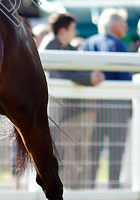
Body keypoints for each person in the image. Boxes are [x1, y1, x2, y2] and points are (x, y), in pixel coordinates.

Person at [40, 12, 104, 188]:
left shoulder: (60, 46)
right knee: (67, 153)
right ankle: (69, 189)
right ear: (63, 30)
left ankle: (78, 189)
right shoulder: (52, 46)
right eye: (73, 29)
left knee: (77, 153)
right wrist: (88, 78)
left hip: (67, 112)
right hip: (61, 113)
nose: (75, 33)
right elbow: (62, 74)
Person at [79, 8, 132, 188]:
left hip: (91, 107)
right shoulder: (119, 45)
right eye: (124, 23)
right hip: (116, 107)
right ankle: (114, 185)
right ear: (115, 25)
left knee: (94, 149)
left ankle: (90, 184)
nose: (126, 27)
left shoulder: (87, 43)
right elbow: (126, 79)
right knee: (117, 148)